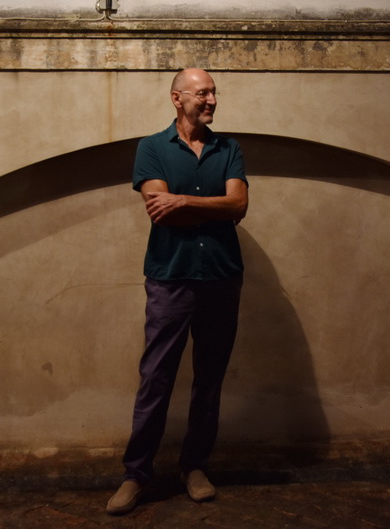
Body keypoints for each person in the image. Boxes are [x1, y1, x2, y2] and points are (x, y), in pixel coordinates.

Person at [106, 68, 249, 515]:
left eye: (214, 93)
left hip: (221, 278)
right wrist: (214, 210)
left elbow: (239, 204)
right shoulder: (152, 147)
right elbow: (160, 212)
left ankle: (195, 467)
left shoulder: (229, 148)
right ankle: (137, 474)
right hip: (170, 278)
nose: (211, 100)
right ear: (177, 98)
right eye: (202, 93)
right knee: (156, 378)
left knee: (209, 379)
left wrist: (184, 200)